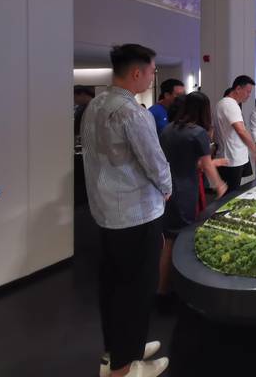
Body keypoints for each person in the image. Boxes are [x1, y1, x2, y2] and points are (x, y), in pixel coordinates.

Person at [81, 44, 171, 377]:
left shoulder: (95, 105)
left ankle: (119, 351)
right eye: (151, 71)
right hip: (136, 214)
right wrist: (167, 187)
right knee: (136, 289)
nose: (152, 77)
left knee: (113, 287)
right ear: (136, 72)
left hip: (106, 213)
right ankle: (125, 368)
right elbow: (155, 162)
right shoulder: (133, 112)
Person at [158, 92, 228, 297]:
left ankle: (163, 288)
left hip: (166, 188)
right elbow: (205, 165)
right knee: (182, 238)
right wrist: (220, 185)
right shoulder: (198, 133)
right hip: (185, 190)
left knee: (169, 239)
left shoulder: (168, 129)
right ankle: (174, 289)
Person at [214, 75, 256, 193]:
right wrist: (255, 150)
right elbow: (241, 130)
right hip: (232, 157)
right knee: (231, 194)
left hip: (230, 155)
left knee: (230, 192)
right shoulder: (230, 104)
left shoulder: (222, 103)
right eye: (247, 91)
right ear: (238, 89)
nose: (249, 95)